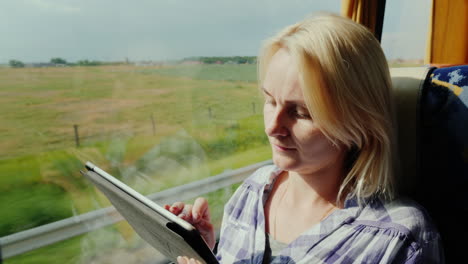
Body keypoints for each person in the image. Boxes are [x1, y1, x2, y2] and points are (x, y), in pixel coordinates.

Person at [166, 13, 444, 263]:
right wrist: (206, 251)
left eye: (300, 113)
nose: (273, 127)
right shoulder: (251, 192)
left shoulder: (399, 238)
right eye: (270, 101)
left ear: (357, 122)